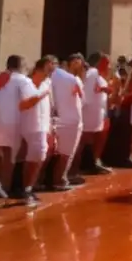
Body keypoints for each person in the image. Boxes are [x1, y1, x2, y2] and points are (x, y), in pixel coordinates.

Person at [0, 55, 26, 198]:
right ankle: (5, 189)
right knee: (10, 156)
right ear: (20, 65)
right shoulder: (22, 80)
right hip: (14, 123)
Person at [18, 57, 54, 206]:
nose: (52, 70)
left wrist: (50, 125)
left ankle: (28, 188)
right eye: (50, 66)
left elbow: (49, 107)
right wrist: (40, 96)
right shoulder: (27, 84)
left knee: (40, 156)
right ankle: (25, 190)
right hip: (30, 126)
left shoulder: (47, 83)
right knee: (36, 155)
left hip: (43, 126)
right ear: (41, 68)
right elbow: (24, 105)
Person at [50, 55, 85, 191]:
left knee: (63, 153)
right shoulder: (69, 78)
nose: (79, 66)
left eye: (80, 63)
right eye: (76, 63)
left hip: (66, 119)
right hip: (69, 121)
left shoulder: (65, 78)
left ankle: (61, 178)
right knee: (65, 153)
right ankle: (59, 179)